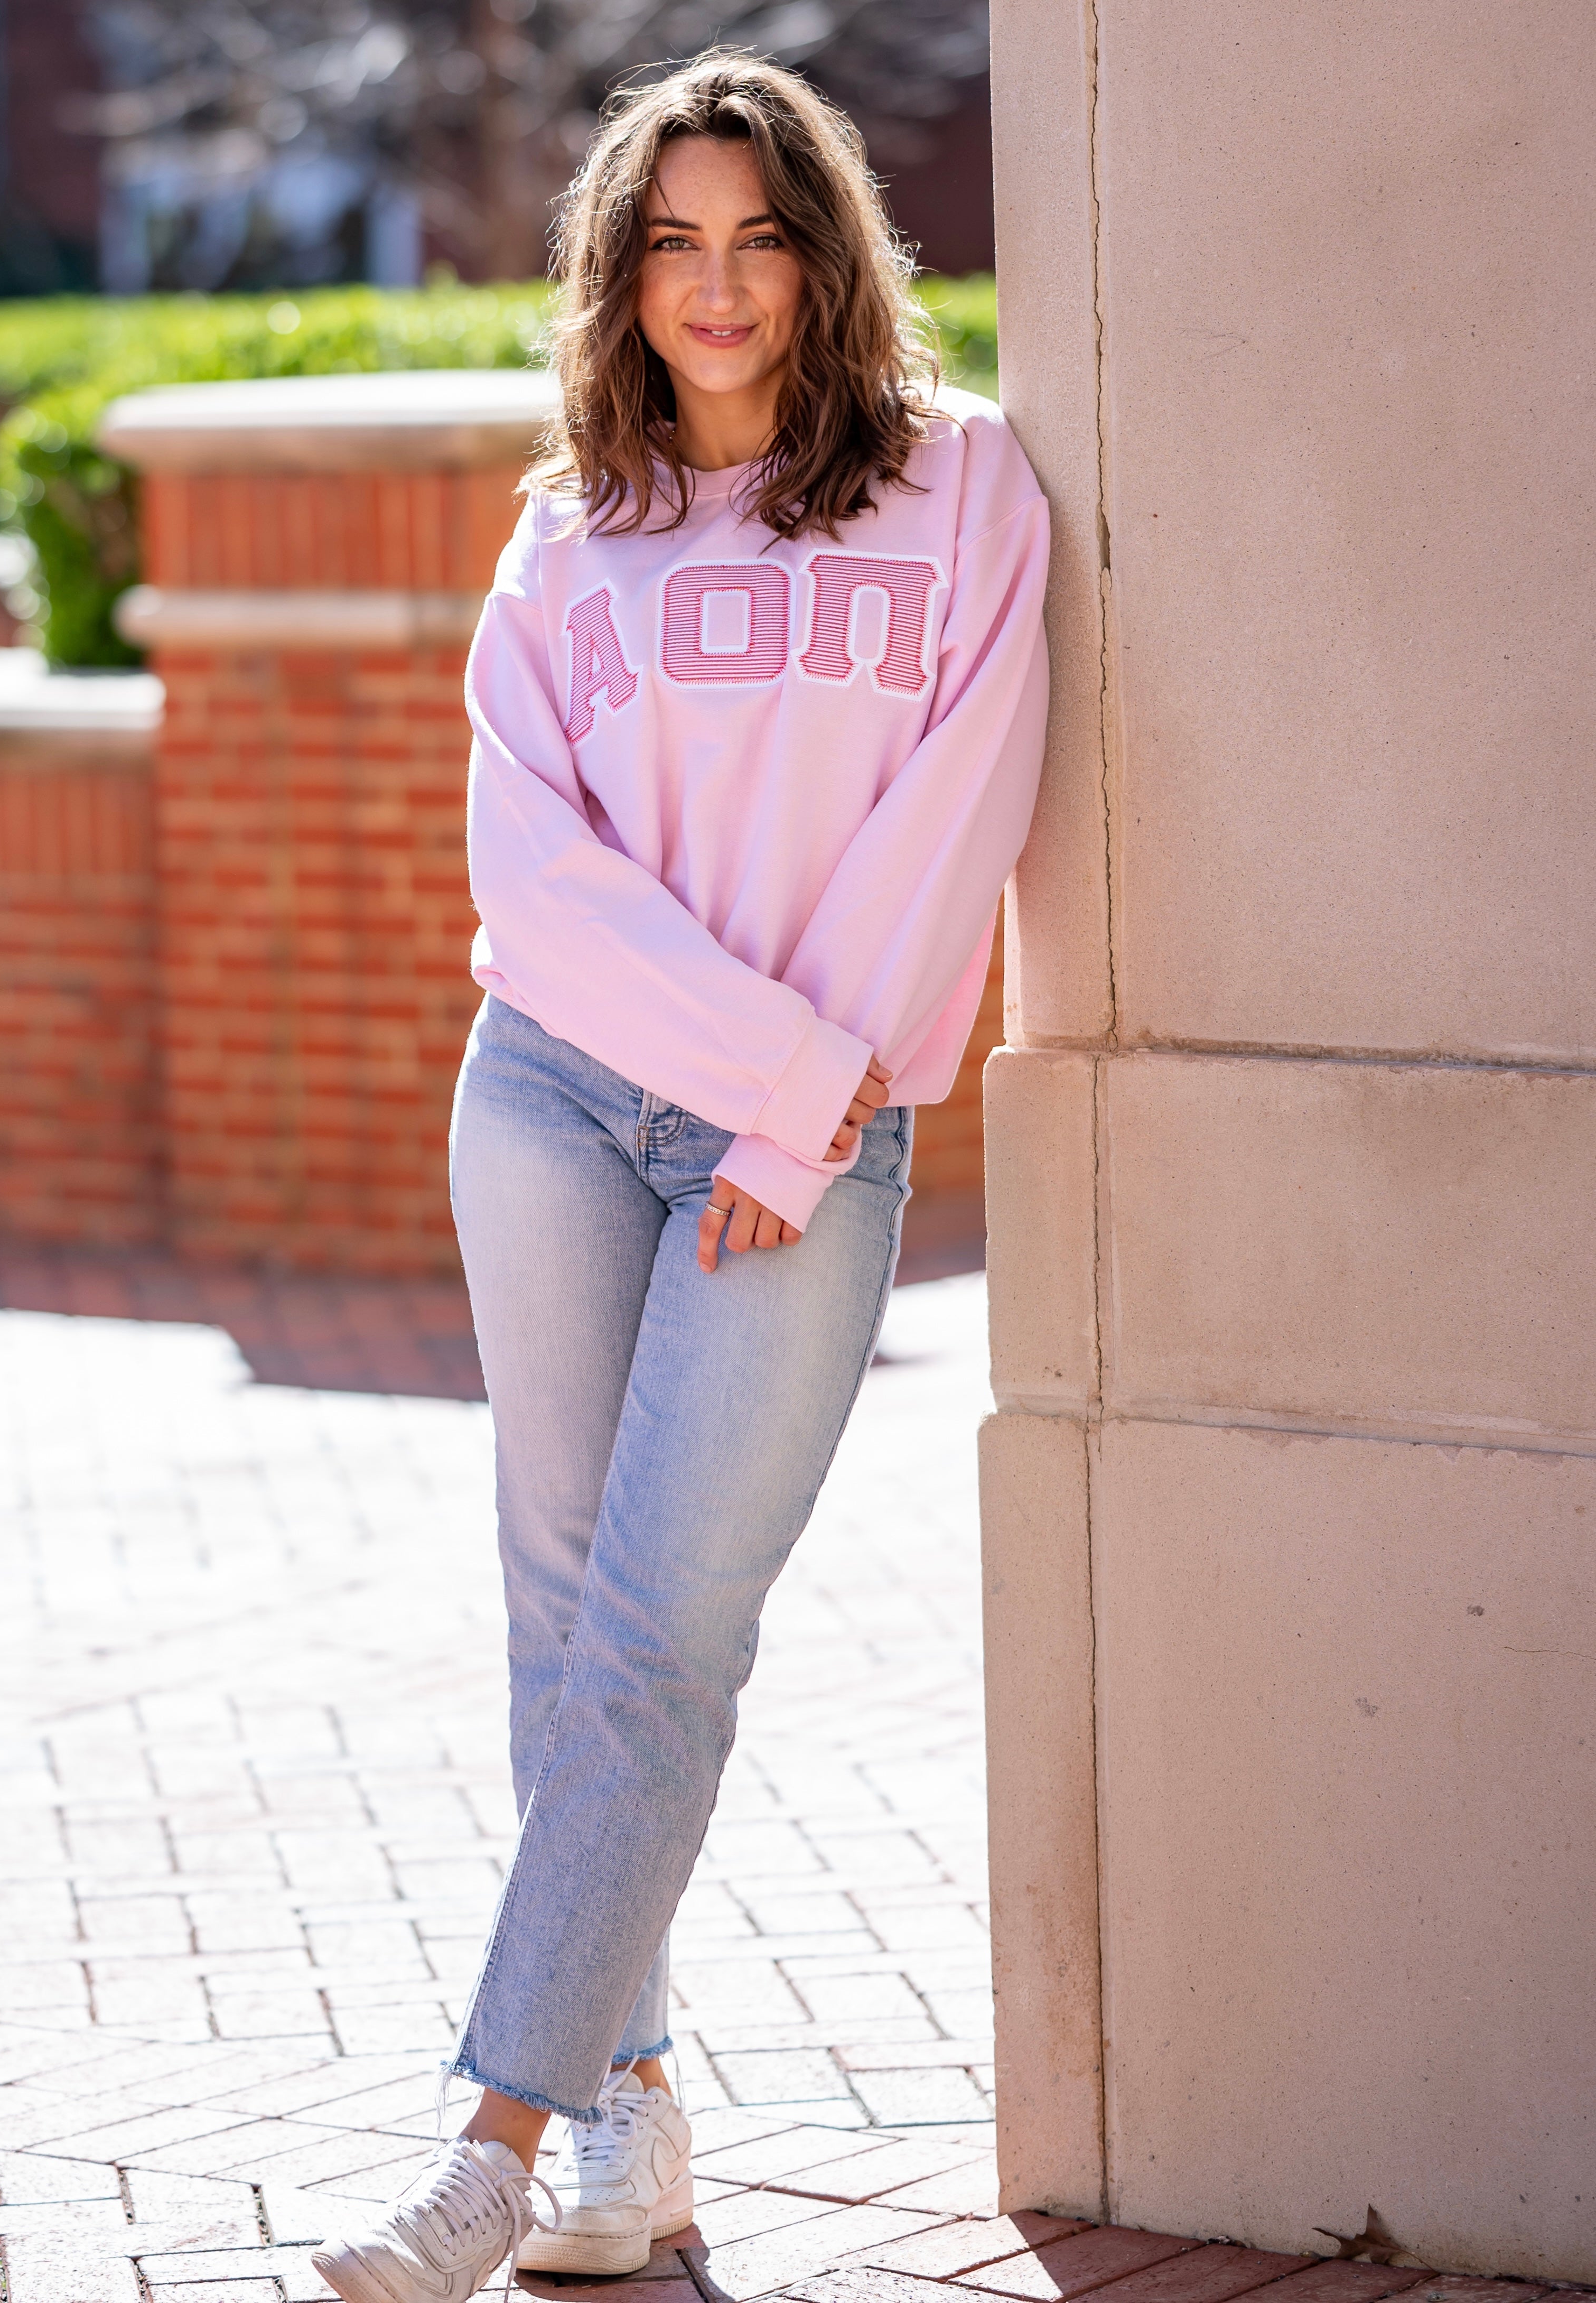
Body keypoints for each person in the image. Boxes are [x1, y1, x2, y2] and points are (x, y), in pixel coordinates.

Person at [313, 48, 1048, 2303]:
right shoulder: (573, 530)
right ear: (617, 278)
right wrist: (757, 1075)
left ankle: (490, 2148)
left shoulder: (964, 489)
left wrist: (788, 1107)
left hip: (798, 1147)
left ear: (827, 259)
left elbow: (961, 821)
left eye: (758, 238)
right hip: (548, 1097)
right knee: (564, 1626)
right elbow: (528, 876)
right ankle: (633, 2129)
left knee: (663, 1636)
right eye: (670, 243)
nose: (716, 287)